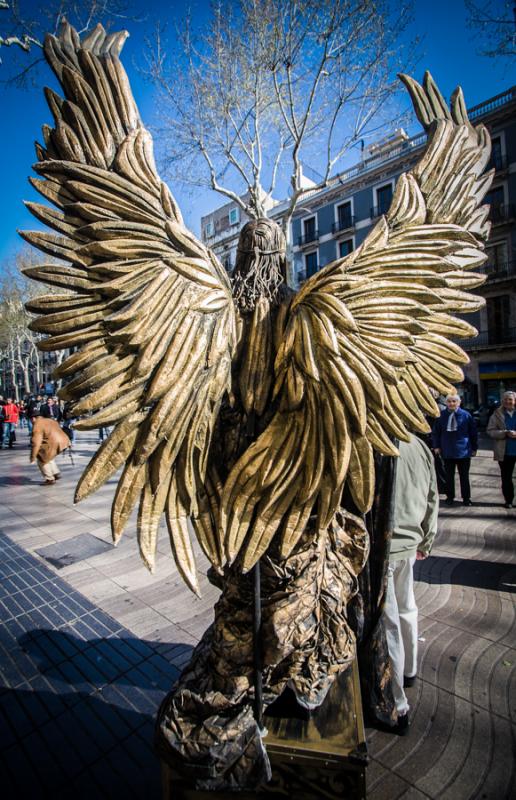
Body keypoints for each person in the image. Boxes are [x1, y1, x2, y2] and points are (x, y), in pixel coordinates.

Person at [384, 435, 438, 734]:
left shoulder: (374, 443)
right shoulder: (418, 445)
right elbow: (433, 494)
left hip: (385, 548)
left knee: (388, 622)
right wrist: (426, 539)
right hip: (410, 544)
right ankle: (410, 670)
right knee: (406, 609)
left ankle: (397, 702)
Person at [432, 393, 477, 506]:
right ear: (446, 403)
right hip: (447, 450)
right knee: (449, 476)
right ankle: (450, 497)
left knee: (464, 476)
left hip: (463, 450)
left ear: (459, 402)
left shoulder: (466, 415)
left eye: (454, 401)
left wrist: (474, 447)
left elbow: (473, 433)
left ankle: (466, 498)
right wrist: (436, 446)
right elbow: (436, 432)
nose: (451, 403)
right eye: (449, 401)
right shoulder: (441, 416)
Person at [486, 391, 516, 509]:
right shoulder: (497, 414)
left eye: (510, 399)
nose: (508, 402)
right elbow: (490, 431)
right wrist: (505, 433)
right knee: (506, 478)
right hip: (505, 452)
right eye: (505, 400)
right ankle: (508, 500)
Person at [30, 416, 70, 484]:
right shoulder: (49, 420)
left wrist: (33, 457)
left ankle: (49, 479)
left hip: (53, 442)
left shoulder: (37, 425)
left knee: (41, 460)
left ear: (33, 418)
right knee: (49, 456)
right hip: (64, 440)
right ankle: (56, 473)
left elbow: (36, 443)